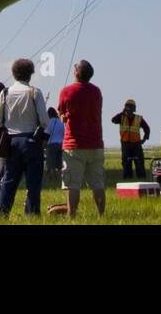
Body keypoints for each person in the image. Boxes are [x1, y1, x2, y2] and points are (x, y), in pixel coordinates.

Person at [0, 58, 50, 217]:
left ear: (14, 73)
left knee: (9, 180)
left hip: (11, 142)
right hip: (31, 141)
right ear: (30, 74)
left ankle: (2, 214)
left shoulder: (4, 93)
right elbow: (45, 121)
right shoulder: (35, 92)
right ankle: (32, 214)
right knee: (33, 182)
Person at [57, 59, 106, 217]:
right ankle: (101, 216)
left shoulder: (66, 91)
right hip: (96, 143)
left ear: (77, 73)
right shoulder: (96, 91)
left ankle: (72, 216)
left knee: (73, 185)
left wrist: (64, 116)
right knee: (98, 184)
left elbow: (61, 112)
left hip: (74, 145)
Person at [110, 98, 151, 179]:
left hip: (136, 144)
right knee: (126, 163)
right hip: (125, 144)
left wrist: (144, 139)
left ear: (134, 109)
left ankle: (141, 179)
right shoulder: (121, 117)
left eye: (130, 107)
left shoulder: (139, 118)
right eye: (127, 107)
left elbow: (147, 129)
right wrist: (122, 113)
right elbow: (113, 120)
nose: (129, 109)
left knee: (139, 163)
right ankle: (128, 179)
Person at [44, 106, 65, 188]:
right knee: (59, 165)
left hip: (51, 144)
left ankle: (52, 181)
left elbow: (46, 134)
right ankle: (60, 180)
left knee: (51, 165)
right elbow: (64, 133)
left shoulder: (49, 122)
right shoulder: (60, 122)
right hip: (60, 145)